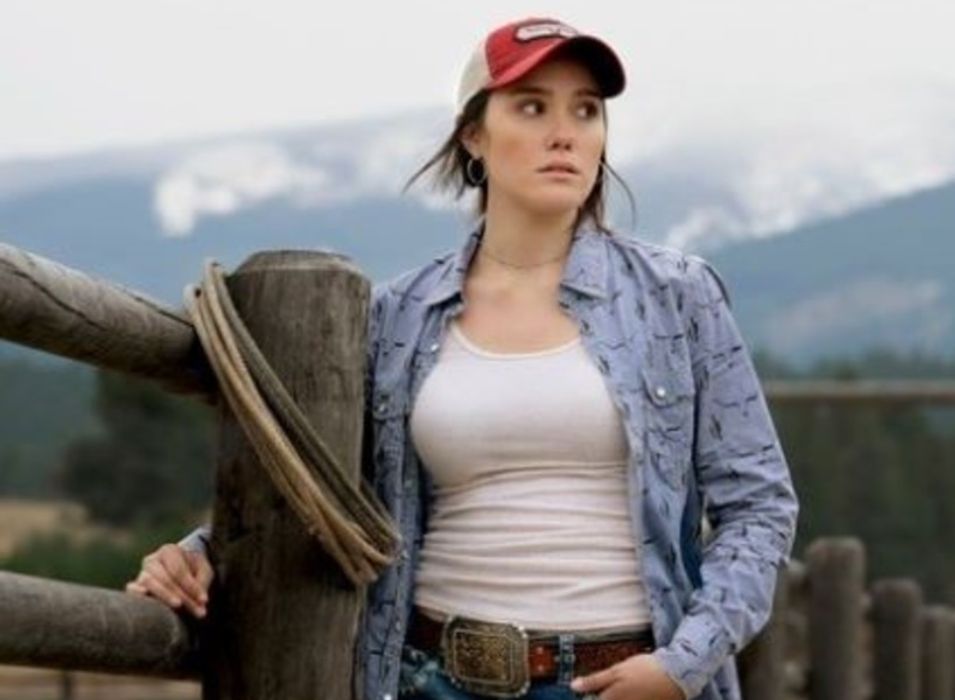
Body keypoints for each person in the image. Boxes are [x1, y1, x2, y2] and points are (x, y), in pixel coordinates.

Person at [125, 16, 798, 700]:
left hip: (625, 679)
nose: (564, 131)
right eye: (532, 106)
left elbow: (759, 504)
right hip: (431, 678)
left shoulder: (676, 296)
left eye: (586, 110)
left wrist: (683, 665)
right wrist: (201, 552)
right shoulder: (398, 316)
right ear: (473, 133)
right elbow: (325, 483)